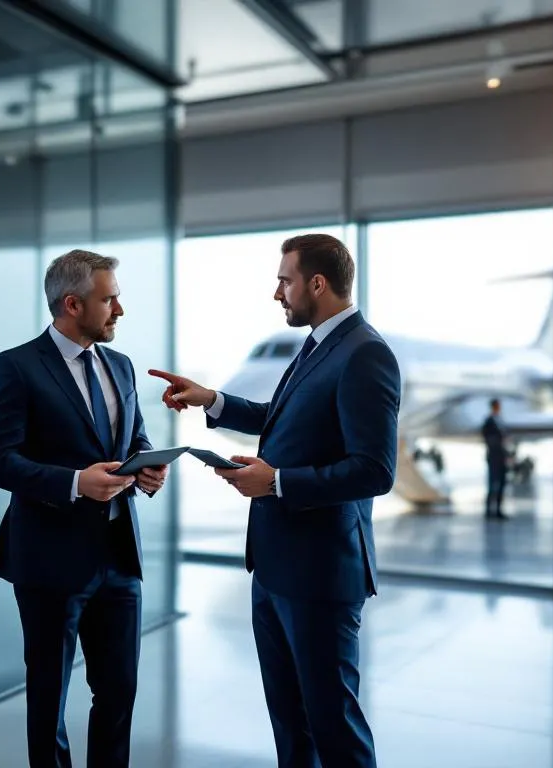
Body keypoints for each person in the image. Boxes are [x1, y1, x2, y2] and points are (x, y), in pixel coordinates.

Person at [150, 233, 399, 768]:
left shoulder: (365, 353)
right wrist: (211, 399)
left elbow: (375, 471)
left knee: (334, 727)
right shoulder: (318, 345)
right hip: (275, 567)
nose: (277, 292)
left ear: (317, 283)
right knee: (291, 725)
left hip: (320, 575)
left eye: (285, 280)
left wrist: (277, 482)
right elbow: (281, 418)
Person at [0, 249, 167, 768]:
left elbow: (134, 437)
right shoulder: (16, 366)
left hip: (119, 556)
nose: (119, 310)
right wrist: (74, 483)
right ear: (72, 304)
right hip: (49, 559)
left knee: (119, 694)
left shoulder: (121, 366)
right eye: (109, 300)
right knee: (49, 699)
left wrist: (147, 466)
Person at [481, 398, 509, 520]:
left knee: (501, 483)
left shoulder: (500, 420)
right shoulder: (489, 422)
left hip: (501, 457)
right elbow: (488, 438)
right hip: (494, 457)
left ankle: (498, 509)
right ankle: (489, 510)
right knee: (493, 484)